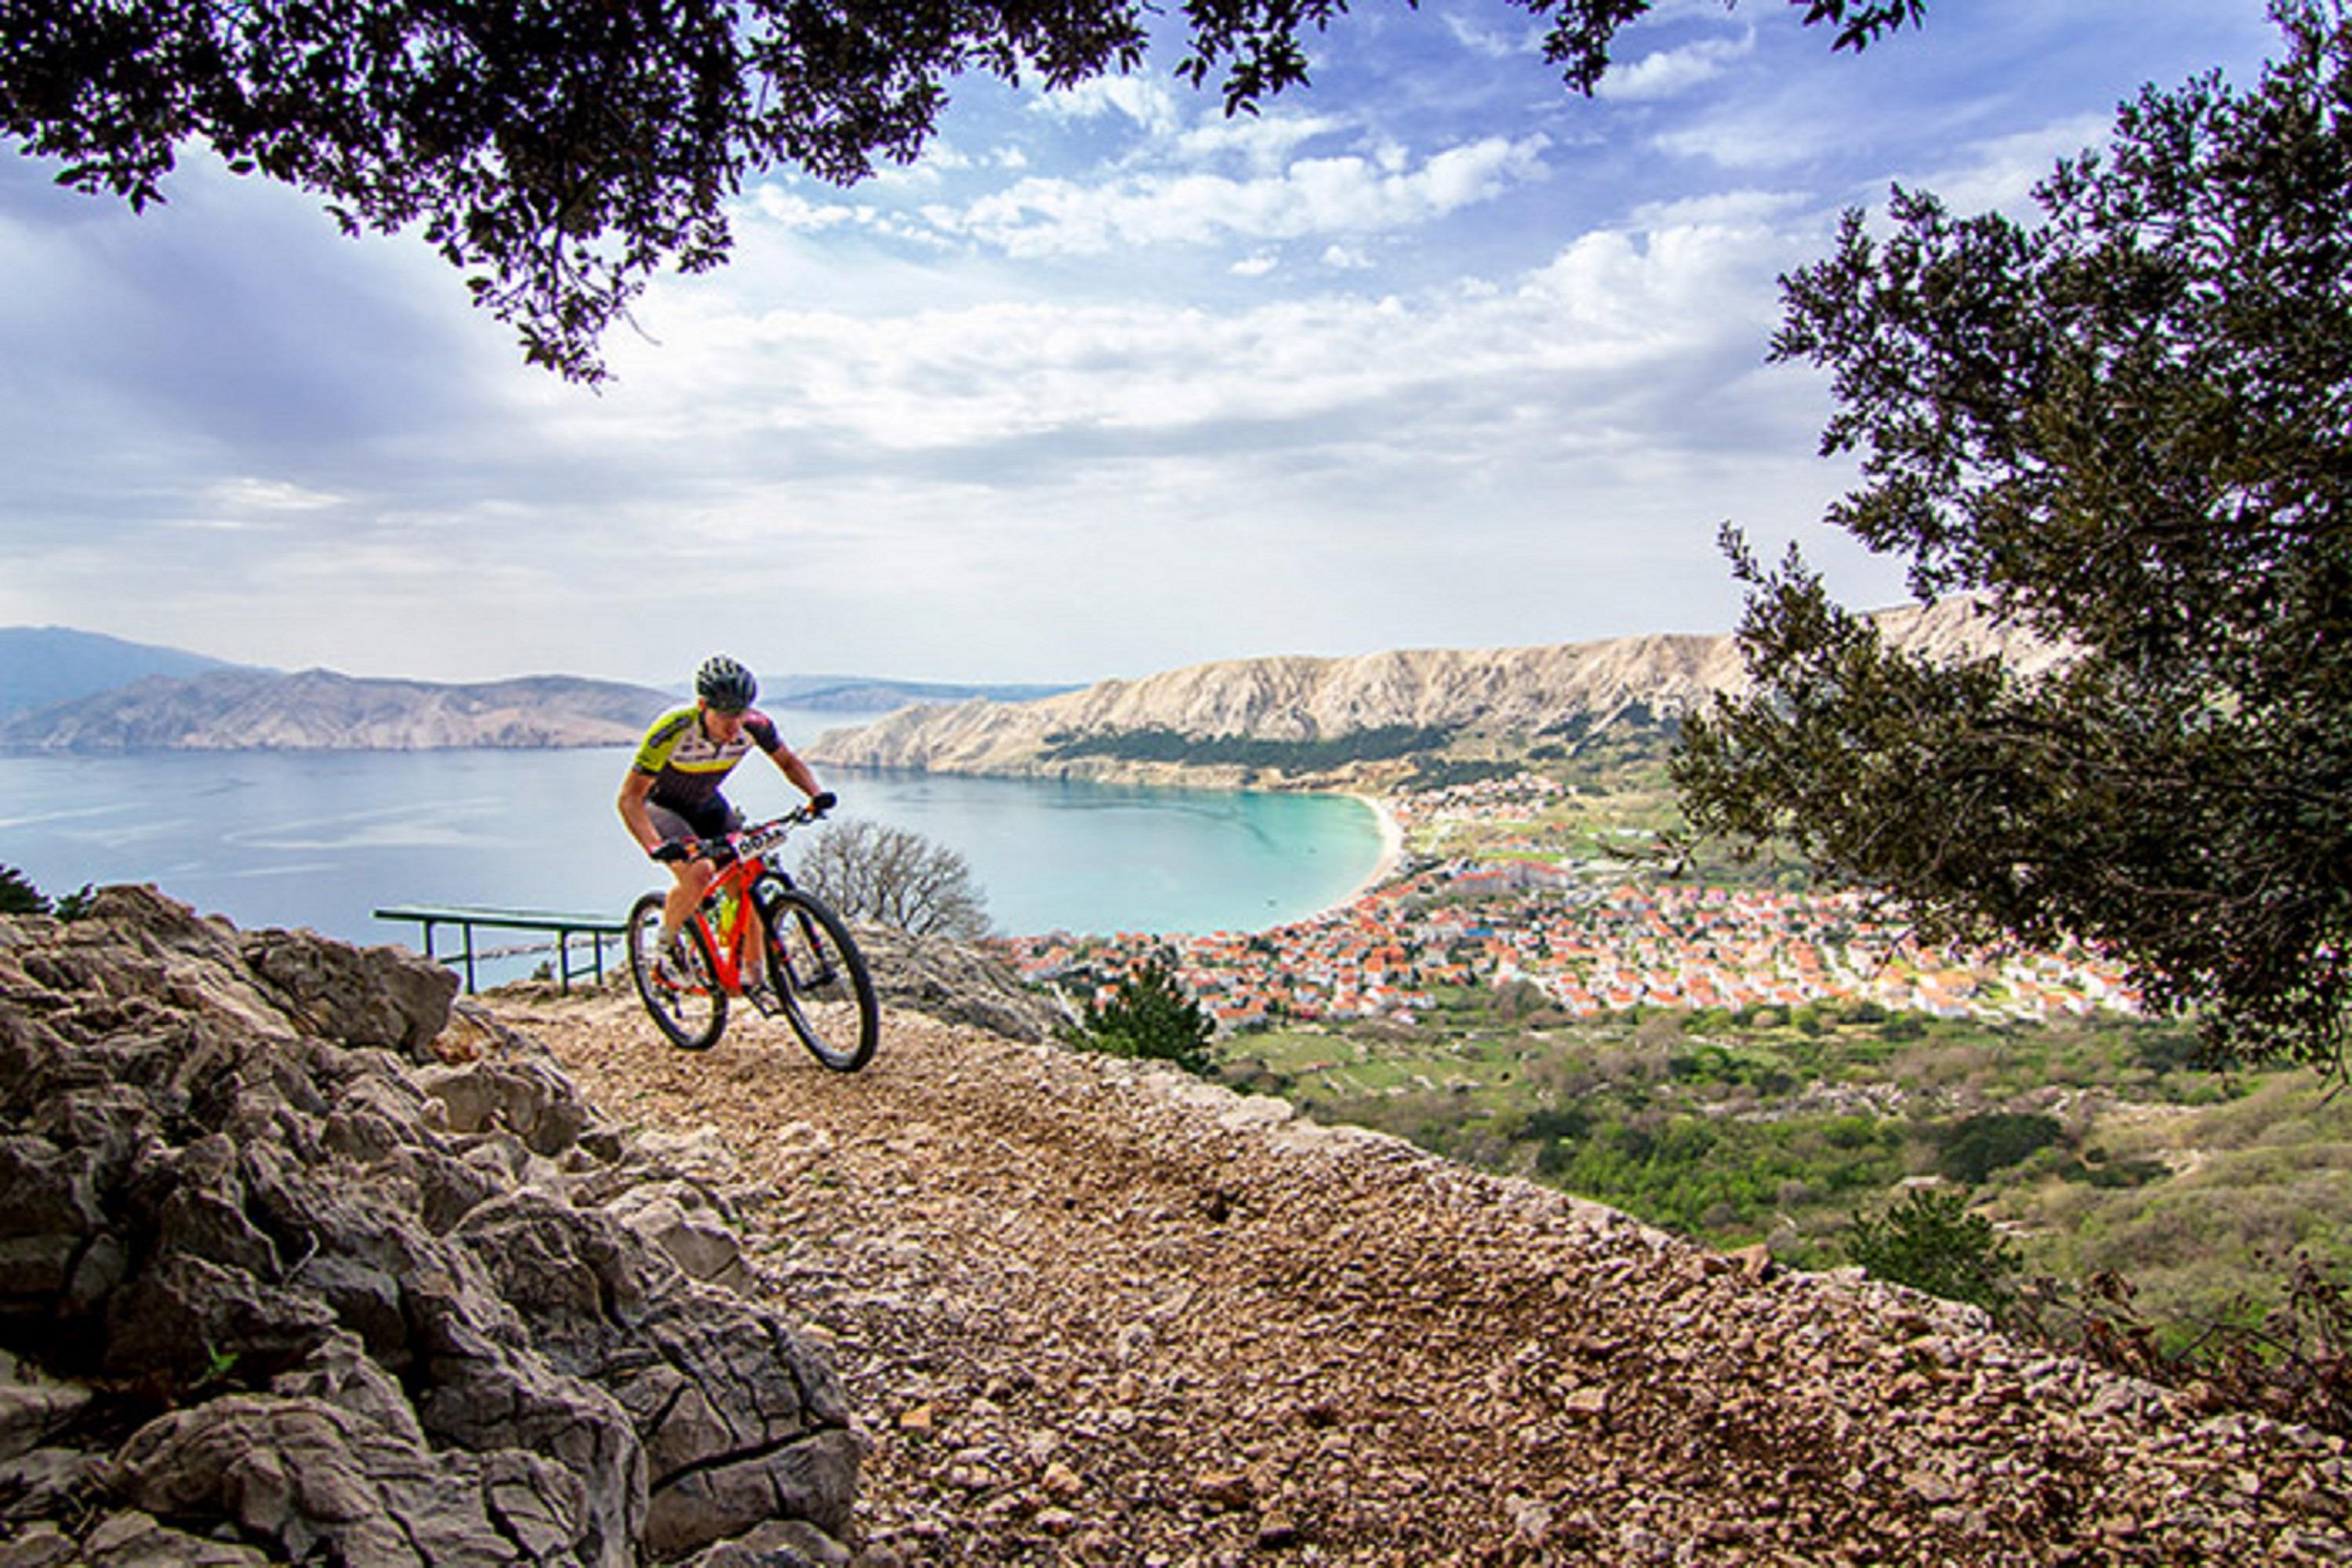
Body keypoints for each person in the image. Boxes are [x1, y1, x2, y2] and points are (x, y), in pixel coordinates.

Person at [619, 654, 833, 996]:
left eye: (740, 714)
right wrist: (654, 846)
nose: (734, 726)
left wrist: (815, 794)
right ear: (703, 706)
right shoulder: (673, 729)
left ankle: (753, 976)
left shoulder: (756, 725)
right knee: (699, 873)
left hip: (707, 805)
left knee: (749, 876)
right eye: (725, 717)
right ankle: (667, 948)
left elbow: (789, 763)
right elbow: (629, 798)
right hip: (661, 805)